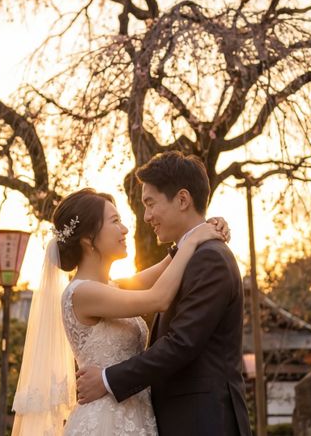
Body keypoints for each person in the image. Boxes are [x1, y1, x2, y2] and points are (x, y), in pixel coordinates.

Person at [12, 183, 231, 436]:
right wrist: (194, 239)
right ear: (88, 239)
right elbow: (158, 298)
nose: (125, 229)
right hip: (105, 421)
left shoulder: (111, 288)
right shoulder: (83, 293)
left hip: (135, 414)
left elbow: (166, 265)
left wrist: (204, 228)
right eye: (115, 221)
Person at [76, 152, 252, 436]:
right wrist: (192, 240)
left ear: (182, 200)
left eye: (150, 203)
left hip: (203, 422)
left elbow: (182, 343)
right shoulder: (192, 255)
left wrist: (108, 379)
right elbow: (134, 288)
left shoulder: (210, 259)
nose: (146, 217)